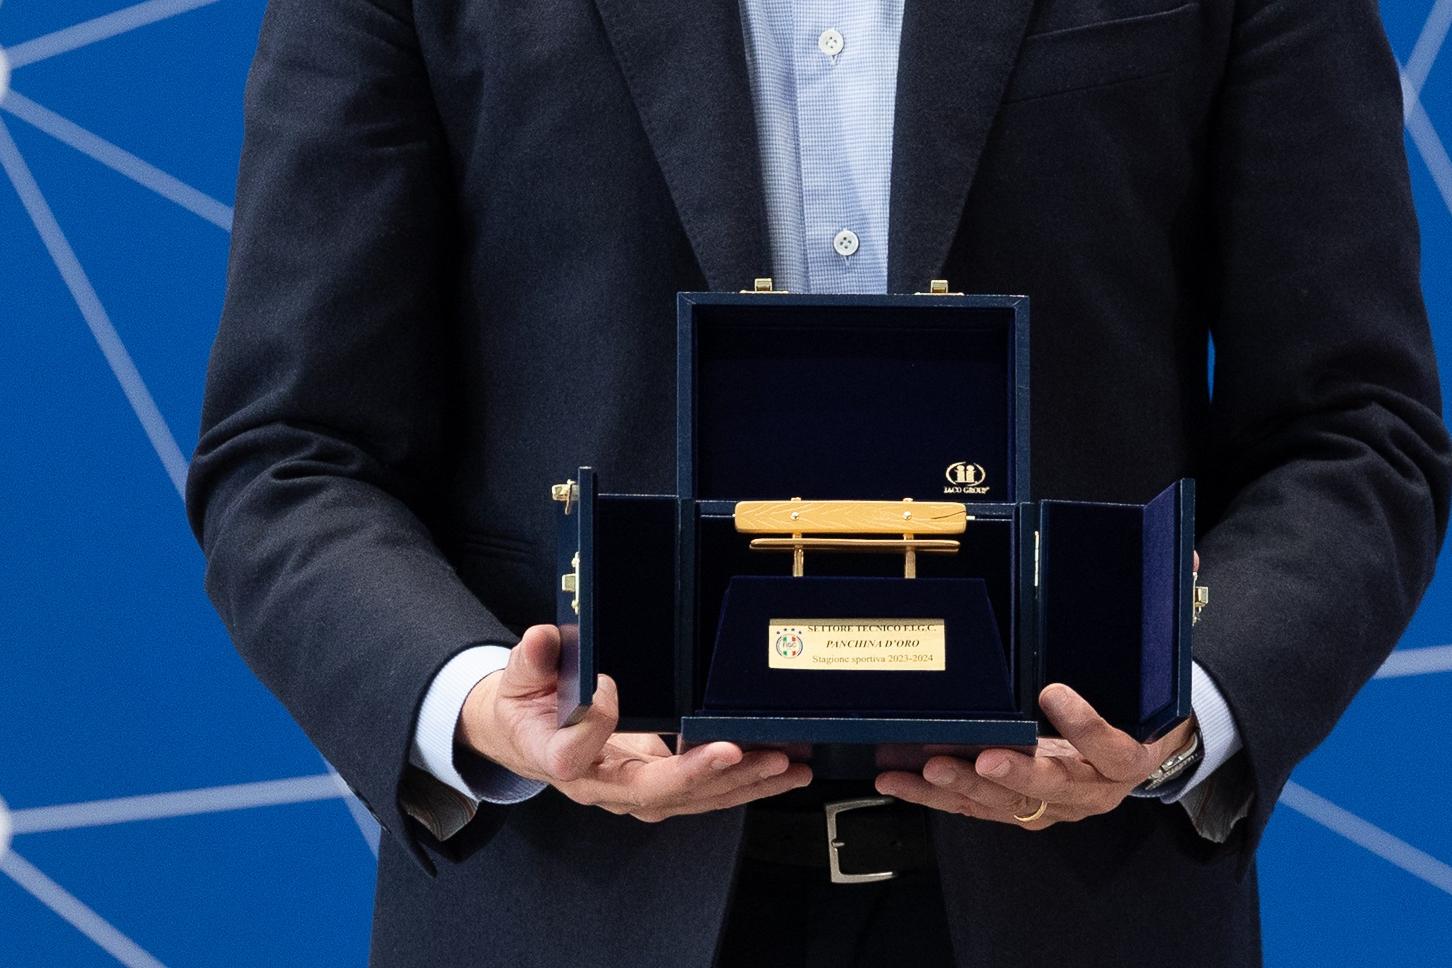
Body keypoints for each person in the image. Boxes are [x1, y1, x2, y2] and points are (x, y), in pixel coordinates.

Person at [186, 0, 1450, 965]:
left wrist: (1180, 703)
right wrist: (480, 700)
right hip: (571, 902)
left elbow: (1355, 427)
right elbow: (290, 453)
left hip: (1083, 902)